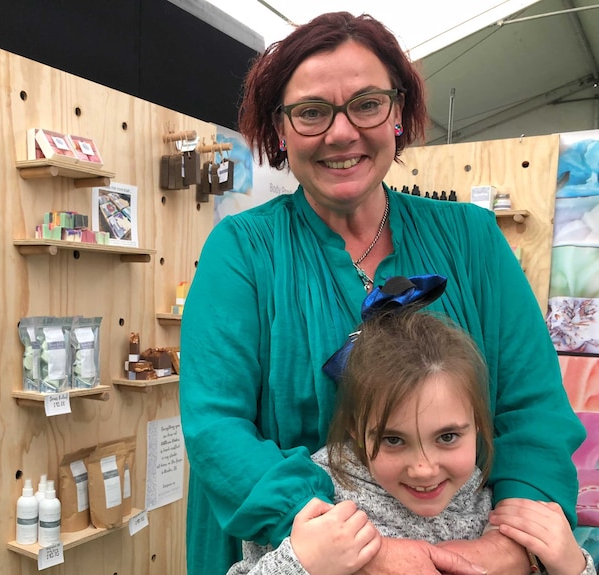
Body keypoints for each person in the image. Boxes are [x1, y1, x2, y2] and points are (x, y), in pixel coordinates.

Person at [178, 11, 586, 575]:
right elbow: (216, 428)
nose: (341, 132)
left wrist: (513, 540)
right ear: (279, 130)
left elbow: (533, 406)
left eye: (367, 103)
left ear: (398, 112)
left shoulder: (472, 239)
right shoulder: (242, 251)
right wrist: (362, 553)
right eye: (311, 112)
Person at [226, 296, 595, 575]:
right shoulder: (318, 507)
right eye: (393, 440)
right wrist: (300, 563)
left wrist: (573, 566)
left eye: (448, 437)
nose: (423, 469)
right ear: (356, 430)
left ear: (480, 423)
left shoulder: (496, 506)